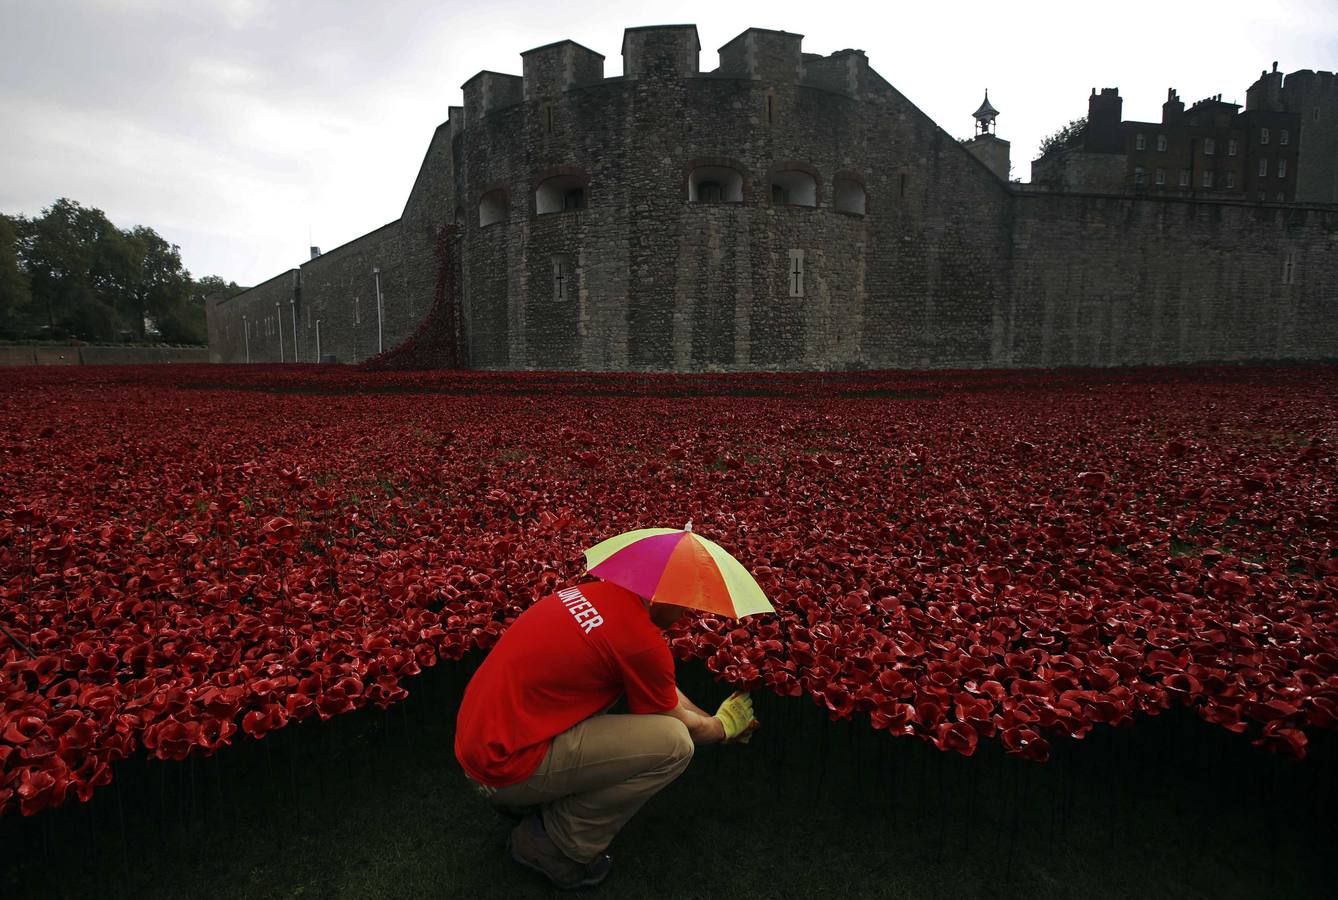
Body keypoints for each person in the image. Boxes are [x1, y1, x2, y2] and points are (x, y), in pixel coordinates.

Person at [454, 578, 758, 890]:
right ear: (659, 601)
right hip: (501, 769)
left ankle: (528, 802)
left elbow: (658, 688)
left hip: (481, 740)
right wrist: (722, 728)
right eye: (684, 603)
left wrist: (709, 716)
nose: (687, 613)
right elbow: (679, 721)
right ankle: (551, 842)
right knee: (675, 744)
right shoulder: (639, 641)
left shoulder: (596, 595)